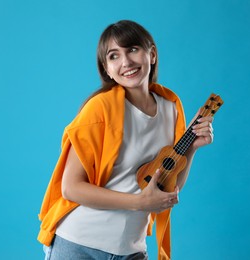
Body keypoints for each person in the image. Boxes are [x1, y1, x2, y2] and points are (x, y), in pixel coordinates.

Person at [38, 20, 214, 260]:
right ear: (107, 69)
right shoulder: (99, 109)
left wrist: (190, 149)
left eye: (132, 49)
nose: (126, 62)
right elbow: (71, 188)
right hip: (79, 245)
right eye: (114, 56)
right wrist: (139, 203)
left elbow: (165, 187)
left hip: (130, 247)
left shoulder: (171, 108)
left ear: (151, 54)